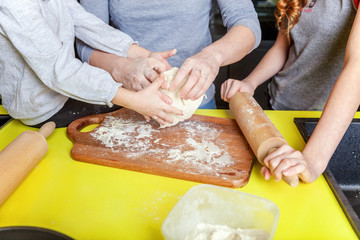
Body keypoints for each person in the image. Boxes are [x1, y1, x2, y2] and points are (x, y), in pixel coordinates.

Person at [222, 0, 359, 183]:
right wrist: (250, 83)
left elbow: (356, 67)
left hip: (322, 128)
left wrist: (312, 160)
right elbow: (282, 48)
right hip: (277, 106)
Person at [0, 0, 183, 128]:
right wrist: (135, 101)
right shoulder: (14, 5)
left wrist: (144, 55)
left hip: (66, 93)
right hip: (43, 110)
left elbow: (86, 24)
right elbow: (60, 71)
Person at [76, 0, 262, 109]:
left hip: (195, 103)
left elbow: (247, 24)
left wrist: (212, 56)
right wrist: (121, 69)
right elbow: (86, 41)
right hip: (127, 103)